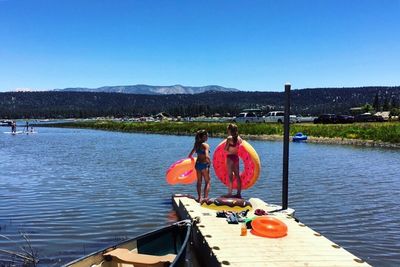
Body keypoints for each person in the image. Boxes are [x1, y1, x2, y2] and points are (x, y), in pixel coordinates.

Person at [188, 130, 211, 203]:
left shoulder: (196, 144)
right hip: (204, 164)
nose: (208, 137)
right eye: (207, 135)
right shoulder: (205, 145)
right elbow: (207, 156)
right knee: (207, 181)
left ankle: (199, 198)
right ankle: (205, 198)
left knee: (199, 181)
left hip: (198, 164)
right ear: (204, 136)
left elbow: (190, 155)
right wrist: (210, 163)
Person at [224, 123, 243, 198]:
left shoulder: (229, 138)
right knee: (237, 176)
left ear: (229, 130)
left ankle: (230, 193)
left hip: (230, 157)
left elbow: (225, 149)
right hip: (236, 157)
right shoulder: (239, 138)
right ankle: (238, 193)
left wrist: (228, 148)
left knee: (230, 176)